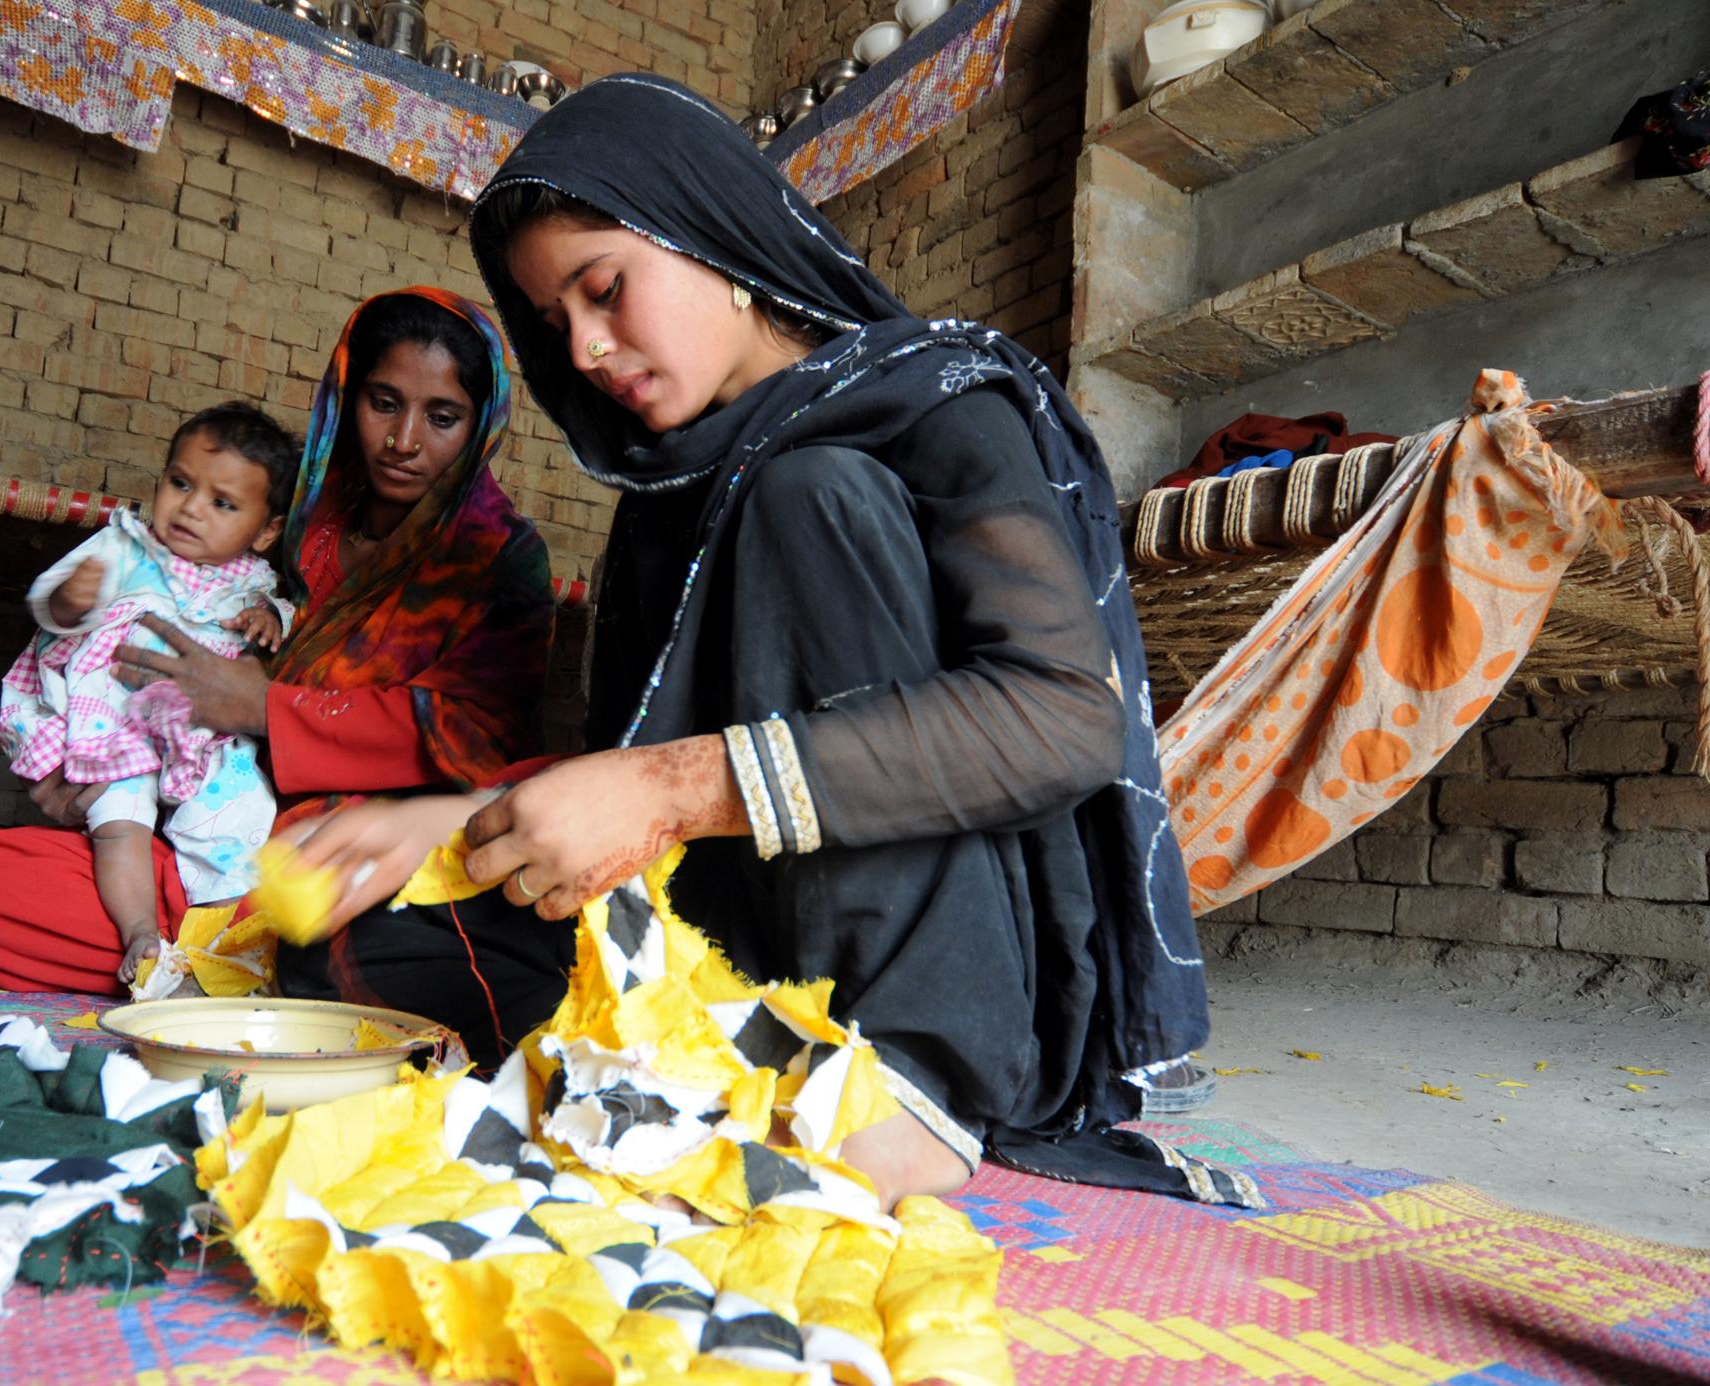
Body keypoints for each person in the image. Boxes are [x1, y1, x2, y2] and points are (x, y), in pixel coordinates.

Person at [267, 77, 1250, 1213]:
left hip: (939, 957)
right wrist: (448, 826)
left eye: (602, 290)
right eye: (554, 325)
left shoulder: (934, 403)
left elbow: (1062, 717)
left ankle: (916, 1086)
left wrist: (668, 787)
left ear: (710, 236)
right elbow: (634, 770)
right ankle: (730, 1058)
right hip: (745, 932)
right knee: (351, 958)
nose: (584, 350)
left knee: (808, 495)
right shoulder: (664, 492)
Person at [0, 289, 554, 994]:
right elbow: (198, 628)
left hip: (360, 861)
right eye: (384, 403)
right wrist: (94, 772)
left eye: (443, 417)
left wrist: (267, 710)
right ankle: (200, 957)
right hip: (213, 832)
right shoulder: (307, 517)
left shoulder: (499, 558)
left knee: (353, 942)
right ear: (345, 397)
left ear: (480, 425)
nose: (403, 441)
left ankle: (244, 960)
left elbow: (480, 739)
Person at [0, 402, 297, 984]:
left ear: (265, 531)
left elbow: (278, 618)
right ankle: (139, 931)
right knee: (118, 820)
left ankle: (220, 938)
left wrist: (271, 620)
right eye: (180, 483)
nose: (190, 508)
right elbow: (49, 604)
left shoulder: (254, 583)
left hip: (203, 738)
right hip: (115, 724)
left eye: (222, 502)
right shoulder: (126, 548)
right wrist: (70, 601)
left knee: (238, 818)